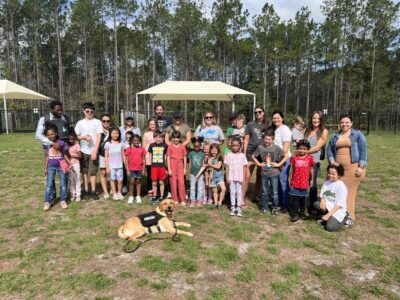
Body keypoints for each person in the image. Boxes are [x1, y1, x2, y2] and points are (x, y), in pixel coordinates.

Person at [327, 113, 367, 221]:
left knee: (349, 193)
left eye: (347, 122)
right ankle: (336, 215)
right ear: (339, 124)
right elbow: (329, 150)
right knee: (337, 192)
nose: (344, 124)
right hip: (338, 170)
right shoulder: (334, 136)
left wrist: (361, 166)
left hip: (353, 168)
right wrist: (331, 160)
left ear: (351, 123)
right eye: (342, 122)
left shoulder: (358, 135)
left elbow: (363, 151)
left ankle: (349, 216)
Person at [36, 100, 70, 200]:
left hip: (63, 150)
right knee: (51, 175)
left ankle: (64, 196)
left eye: (61, 109)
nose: (60, 111)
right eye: (57, 109)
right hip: (50, 150)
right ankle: (52, 196)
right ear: (52, 109)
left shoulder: (65, 118)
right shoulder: (44, 119)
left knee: (64, 172)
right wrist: (52, 143)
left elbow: (68, 132)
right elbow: (38, 135)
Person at [252, 130, 288, 216]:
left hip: (274, 173)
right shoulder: (260, 147)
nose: (267, 141)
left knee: (274, 192)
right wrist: (258, 164)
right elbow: (253, 156)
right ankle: (264, 207)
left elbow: (286, 156)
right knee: (264, 192)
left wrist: (279, 164)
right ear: (263, 139)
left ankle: (275, 208)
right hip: (264, 173)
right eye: (266, 139)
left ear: (273, 139)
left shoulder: (276, 147)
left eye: (269, 139)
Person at [74, 102, 103, 200]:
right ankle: (86, 190)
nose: (89, 113)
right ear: (83, 111)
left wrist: (95, 151)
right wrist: (84, 137)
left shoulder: (97, 122)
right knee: (85, 172)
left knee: (93, 172)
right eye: (87, 111)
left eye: (91, 111)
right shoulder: (80, 123)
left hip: (93, 151)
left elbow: (99, 137)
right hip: (83, 150)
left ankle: (93, 191)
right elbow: (75, 136)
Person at [243, 106, 269, 207]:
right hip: (250, 152)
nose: (258, 114)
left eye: (260, 112)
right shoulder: (250, 124)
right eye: (256, 112)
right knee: (247, 176)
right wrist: (244, 153)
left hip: (262, 153)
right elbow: (246, 139)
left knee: (260, 175)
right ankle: (242, 197)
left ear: (263, 112)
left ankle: (256, 195)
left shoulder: (267, 125)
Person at [304, 111, 329, 211]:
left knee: (312, 183)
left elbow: (317, 147)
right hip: (304, 161)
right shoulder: (307, 130)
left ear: (321, 120)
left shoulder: (324, 131)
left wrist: (303, 152)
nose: (316, 120)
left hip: (314, 162)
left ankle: (313, 205)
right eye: (314, 118)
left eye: (318, 119)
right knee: (303, 181)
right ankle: (302, 202)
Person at [43, 124, 70, 211]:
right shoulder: (46, 144)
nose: (51, 136)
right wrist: (45, 168)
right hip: (51, 166)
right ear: (46, 136)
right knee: (49, 184)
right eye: (48, 135)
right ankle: (48, 201)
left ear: (56, 133)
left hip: (61, 165)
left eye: (52, 134)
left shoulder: (62, 143)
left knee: (63, 184)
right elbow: (46, 156)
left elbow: (65, 154)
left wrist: (69, 163)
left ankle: (63, 200)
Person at [314, 164, 348, 232]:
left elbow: (339, 205)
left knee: (330, 228)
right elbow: (322, 195)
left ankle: (345, 218)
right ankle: (325, 217)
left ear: (339, 175)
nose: (330, 175)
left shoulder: (341, 186)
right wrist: (322, 200)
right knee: (316, 204)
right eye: (329, 173)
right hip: (328, 205)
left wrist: (328, 215)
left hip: (337, 210)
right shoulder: (326, 182)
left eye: (333, 174)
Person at [271, 110, 292, 211]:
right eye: (274, 118)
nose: (276, 120)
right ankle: (279, 201)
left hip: (284, 159)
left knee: (283, 182)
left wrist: (281, 162)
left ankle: (286, 204)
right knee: (278, 181)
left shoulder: (285, 129)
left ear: (282, 118)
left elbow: (286, 147)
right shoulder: (275, 129)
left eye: (278, 118)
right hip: (276, 160)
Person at [289, 139, 314, 222]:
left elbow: (311, 169)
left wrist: (312, 180)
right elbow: (292, 169)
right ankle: (295, 214)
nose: (302, 150)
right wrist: (290, 178)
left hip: (304, 182)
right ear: (297, 148)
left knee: (303, 198)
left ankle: (302, 212)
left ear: (307, 150)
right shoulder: (294, 158)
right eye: (300, 148)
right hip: (295, 181)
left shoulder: (309, 158)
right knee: (295, 198)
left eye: (304, 149)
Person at [224, 137, 248, 217]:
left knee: (239, 192)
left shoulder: (242, 156)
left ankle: (239, 207)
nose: (235, 147)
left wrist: (244, 178)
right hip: (231, 178)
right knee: (232, 192)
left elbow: (245, 167)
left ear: (240, 146)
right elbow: (227, 167)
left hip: (239, 178)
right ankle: (233, 207)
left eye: (237, 146)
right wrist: (227, 177)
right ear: (231, 146)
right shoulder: (228, 155)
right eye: (233, 145)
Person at [197, 143, 226, 209]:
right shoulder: (209, 158)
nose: (214, 152)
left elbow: (218, 166)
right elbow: (204, 166)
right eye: (212, 150)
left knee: (223, 189)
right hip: (212, 177)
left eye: (215, 150)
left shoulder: (219, 157)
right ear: (210, 151)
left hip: (219, 176)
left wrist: (210, 165)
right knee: (214, 191)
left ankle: (220, 202)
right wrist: (198, 175)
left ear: (218, 150)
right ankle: (216, 204)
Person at [167, 131, 188, 205]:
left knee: (181, 183)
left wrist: (185, 168)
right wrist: (169, 169)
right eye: (174, 138)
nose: (176, 139)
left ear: (180, 138)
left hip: (180, 165)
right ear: (172, 138)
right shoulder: (170, 146)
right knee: (173, 183)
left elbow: (185, 158)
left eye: (177, 138)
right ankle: (175, 199)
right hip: (172, 164)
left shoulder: (182, 146)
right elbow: (168, 157)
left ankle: (182, 199)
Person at [124, 134, 146, 204]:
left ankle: (138, 196)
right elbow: (126, 160)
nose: (136, 142)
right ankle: (131, 196)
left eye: (137, 140)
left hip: (139, 169)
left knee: (138, 182)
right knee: (132, 182)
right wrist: (127, 170)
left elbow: (144, 159)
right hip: (131, 169)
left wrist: (143, 169)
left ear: (140, 140)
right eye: (134, 140)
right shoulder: (128, 149)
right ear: (132, 141)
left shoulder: (142, 149)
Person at [148, 130, 168, 205]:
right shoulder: (151, 145)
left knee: (161, 182)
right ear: (154, 138)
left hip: (162, 166)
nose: (158, 139)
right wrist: (150, 163)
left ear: (162, 138)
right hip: (154, 167)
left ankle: (162, 196)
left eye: (160, 137)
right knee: (154, 182)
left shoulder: (165, 146)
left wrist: (166, 166)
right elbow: (150, 154)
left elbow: (166, 156)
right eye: (156, 137)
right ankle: (155, 196)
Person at [105, 127, 125, 200]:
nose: (115, 135)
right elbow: (106, 156)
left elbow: (123, 154)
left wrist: (125, 164)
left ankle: (119, 192)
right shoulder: (108, 144)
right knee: (112, 179)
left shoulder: (121, 144)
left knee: (120, 180)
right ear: (110, 134)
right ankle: (114, 193)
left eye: (116, 133)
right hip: (111, 166)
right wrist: (107, 167)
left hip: (120, 165)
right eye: (113, 133)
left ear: (119, 134)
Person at [143, 118, 159, 197]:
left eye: (154, 124)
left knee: (157, 173)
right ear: (149, 125)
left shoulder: (159, 133)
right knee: (150, 173)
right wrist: (144, 155)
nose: (152, 126)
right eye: (151, 124)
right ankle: (150, 189)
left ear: (156, 125)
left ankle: (157, 189)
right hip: (148, 155)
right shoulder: (146, 134)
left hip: (157, 155)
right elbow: (144, 145)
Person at [188, 137, 205, 207]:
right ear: (193, 146)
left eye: (198, 147)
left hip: (200, 174)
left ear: (200, 146)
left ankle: (199, 200)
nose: (196, 148)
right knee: (192, 187)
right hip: (192, 173)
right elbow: (189, 164)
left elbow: (203, 164)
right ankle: (192, 200)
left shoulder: (202, 153)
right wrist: (189, 173)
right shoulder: (191, 153)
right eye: (195, 147)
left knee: (200, 188)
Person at [98, 114, 111, 199]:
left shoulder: (113, 130)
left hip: (113, 156)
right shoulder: (98, 131)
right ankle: (106, 192)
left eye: (108, 121)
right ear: (101, 122)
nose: (106, 122)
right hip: (102, 154)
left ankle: (113, 189)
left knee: (113, 172)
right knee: (103, 173)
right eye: (104, 121)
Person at [67, 132, 81, 202]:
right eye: (70, 139)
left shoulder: (77, 145)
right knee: (71, 180)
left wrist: (71, 155)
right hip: (69, 165)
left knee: (77, 179)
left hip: (76, 164)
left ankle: (78, 195)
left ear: (75, 139)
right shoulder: (67, 146)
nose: (71, 141)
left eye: (72, 139)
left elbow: (80, 155)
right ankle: (73, 195)